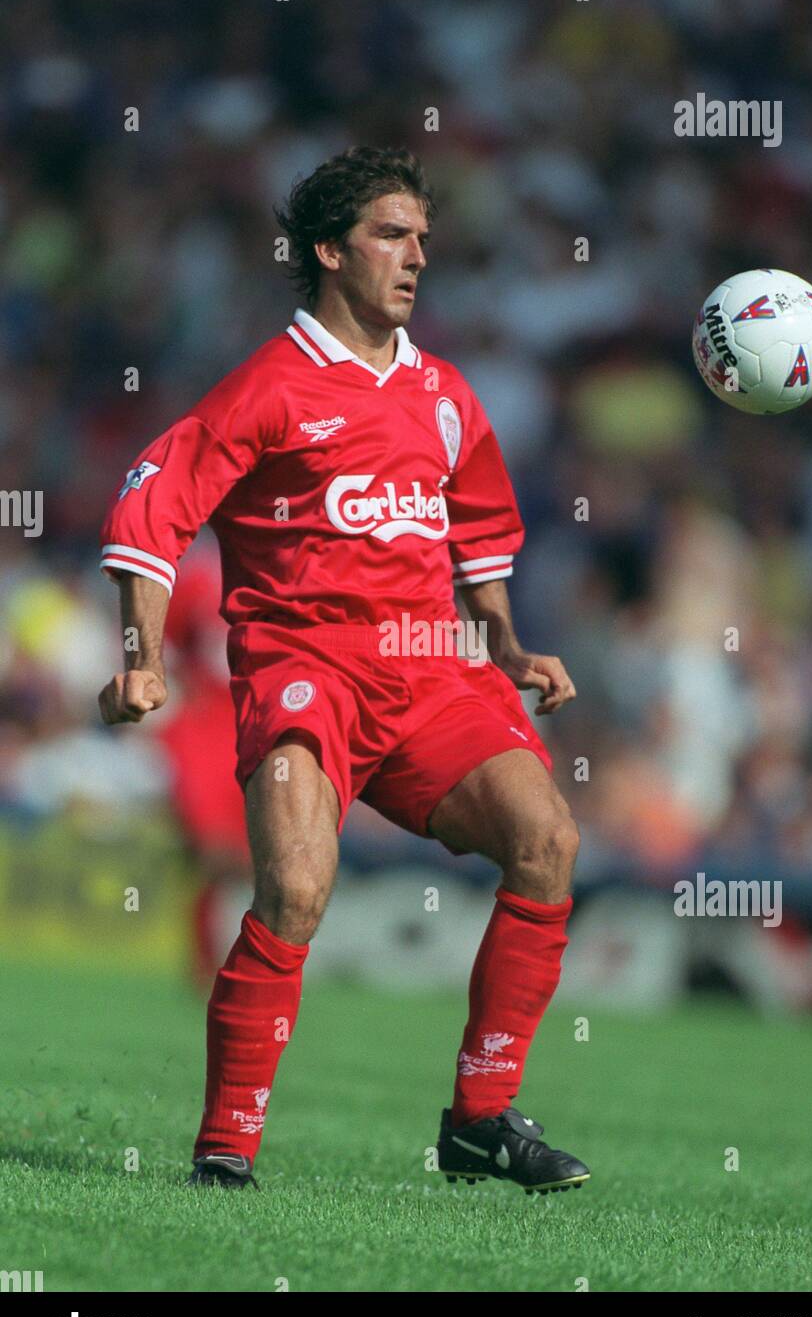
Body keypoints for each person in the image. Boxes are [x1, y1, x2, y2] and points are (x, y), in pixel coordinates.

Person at [97, 146, 589, 1195]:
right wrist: (140, 658)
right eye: (389, 235)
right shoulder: (269, 388)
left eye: (422, 238)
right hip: (303, 668)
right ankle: (225, 1147)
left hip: (429, 671)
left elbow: (483, 536)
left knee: (546, 840)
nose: (416, 256)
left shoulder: (445, 394)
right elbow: (151, 507)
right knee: (297, 888)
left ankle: (479, 1120)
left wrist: (504, 643)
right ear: (328, 250)